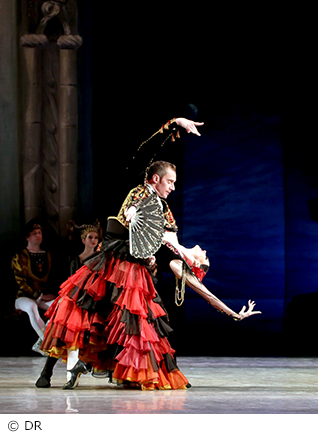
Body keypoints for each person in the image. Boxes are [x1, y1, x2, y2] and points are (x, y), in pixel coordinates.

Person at [40, 117, 261, 390]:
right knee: (77, 308)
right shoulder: (137, 188)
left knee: (130, 324)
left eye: (174, 182)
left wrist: (232, 313)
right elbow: (144, 153)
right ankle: (48, 370)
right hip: (111, 260)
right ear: (156, 179)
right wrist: (172, 125)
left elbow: (196, 283)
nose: (173, 187)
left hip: (132, 271)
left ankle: (101, 369)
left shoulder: (169, 231)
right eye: (170, 181)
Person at [36, 223, 101, 388]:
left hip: (91, 302)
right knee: (62, 334)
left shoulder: (99, 260)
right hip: (75, 299)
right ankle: (46, 373)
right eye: (90, 237)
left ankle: (70, 374)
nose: (93, 240)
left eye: (96, 237)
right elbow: (72, 281)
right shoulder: (76, 259)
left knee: (86, 337)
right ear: (83, 240)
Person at [11, 220, 57, 356]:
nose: (38, 235)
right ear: (27, 237)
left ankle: (44, 341)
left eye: (40, 233)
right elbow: (21, 282)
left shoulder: (47, 254)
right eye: (35, 233)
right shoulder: (20, 255)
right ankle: (46, 344)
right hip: (24, 296)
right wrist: (39, 296)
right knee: (32, 307)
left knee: (58, 307)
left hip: (42, 295)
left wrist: (45, 295)